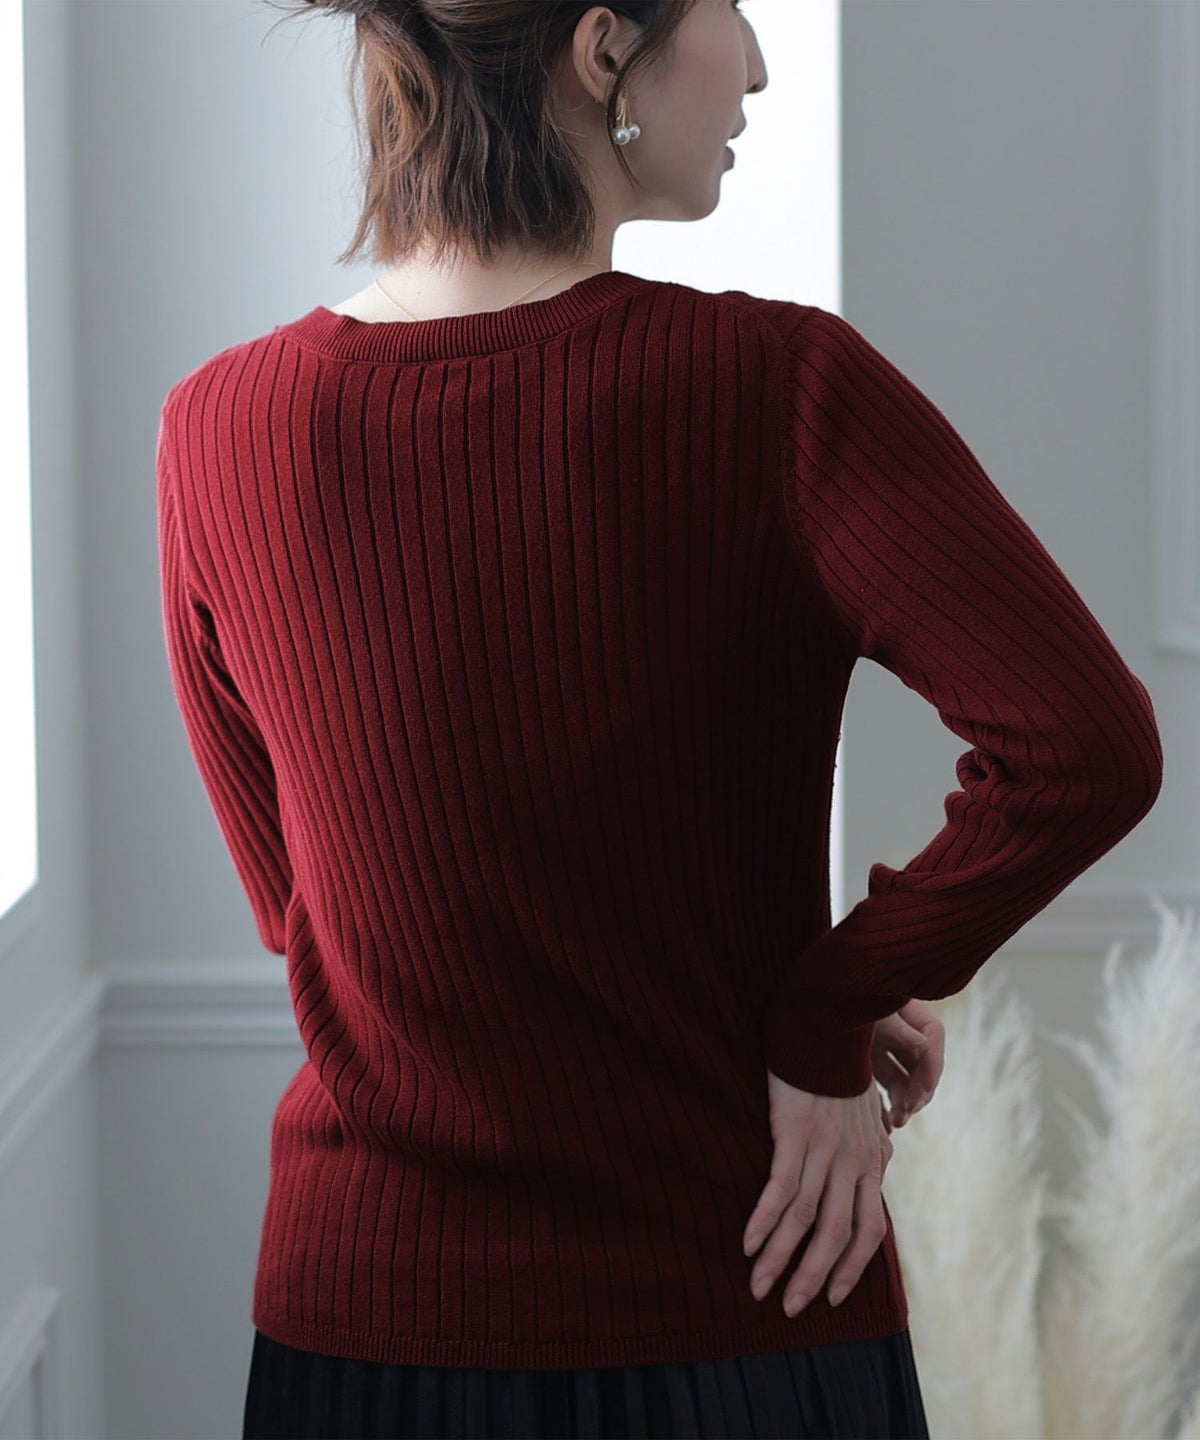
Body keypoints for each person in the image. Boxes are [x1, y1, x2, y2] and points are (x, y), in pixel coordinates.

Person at [154, 1, 1164, 1436]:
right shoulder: (779, 388)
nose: (756, 61)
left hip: (363, 1344)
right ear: (602, 49)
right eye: (733, 7)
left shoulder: (213, 429)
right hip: (736, 1302)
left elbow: (301, 907)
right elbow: (1088, 748)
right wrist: (821, 1009)